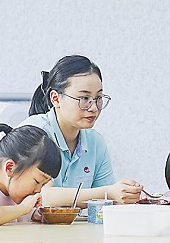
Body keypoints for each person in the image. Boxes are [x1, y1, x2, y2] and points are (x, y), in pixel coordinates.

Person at [22, 54, 143, 206]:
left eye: (98, 98)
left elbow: (107, 203)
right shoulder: (33, 132)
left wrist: (125, 195)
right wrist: (108, 193)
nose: (94, 108)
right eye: (84, 98)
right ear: (56, 99)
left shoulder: (95, 142)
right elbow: (40, 196)